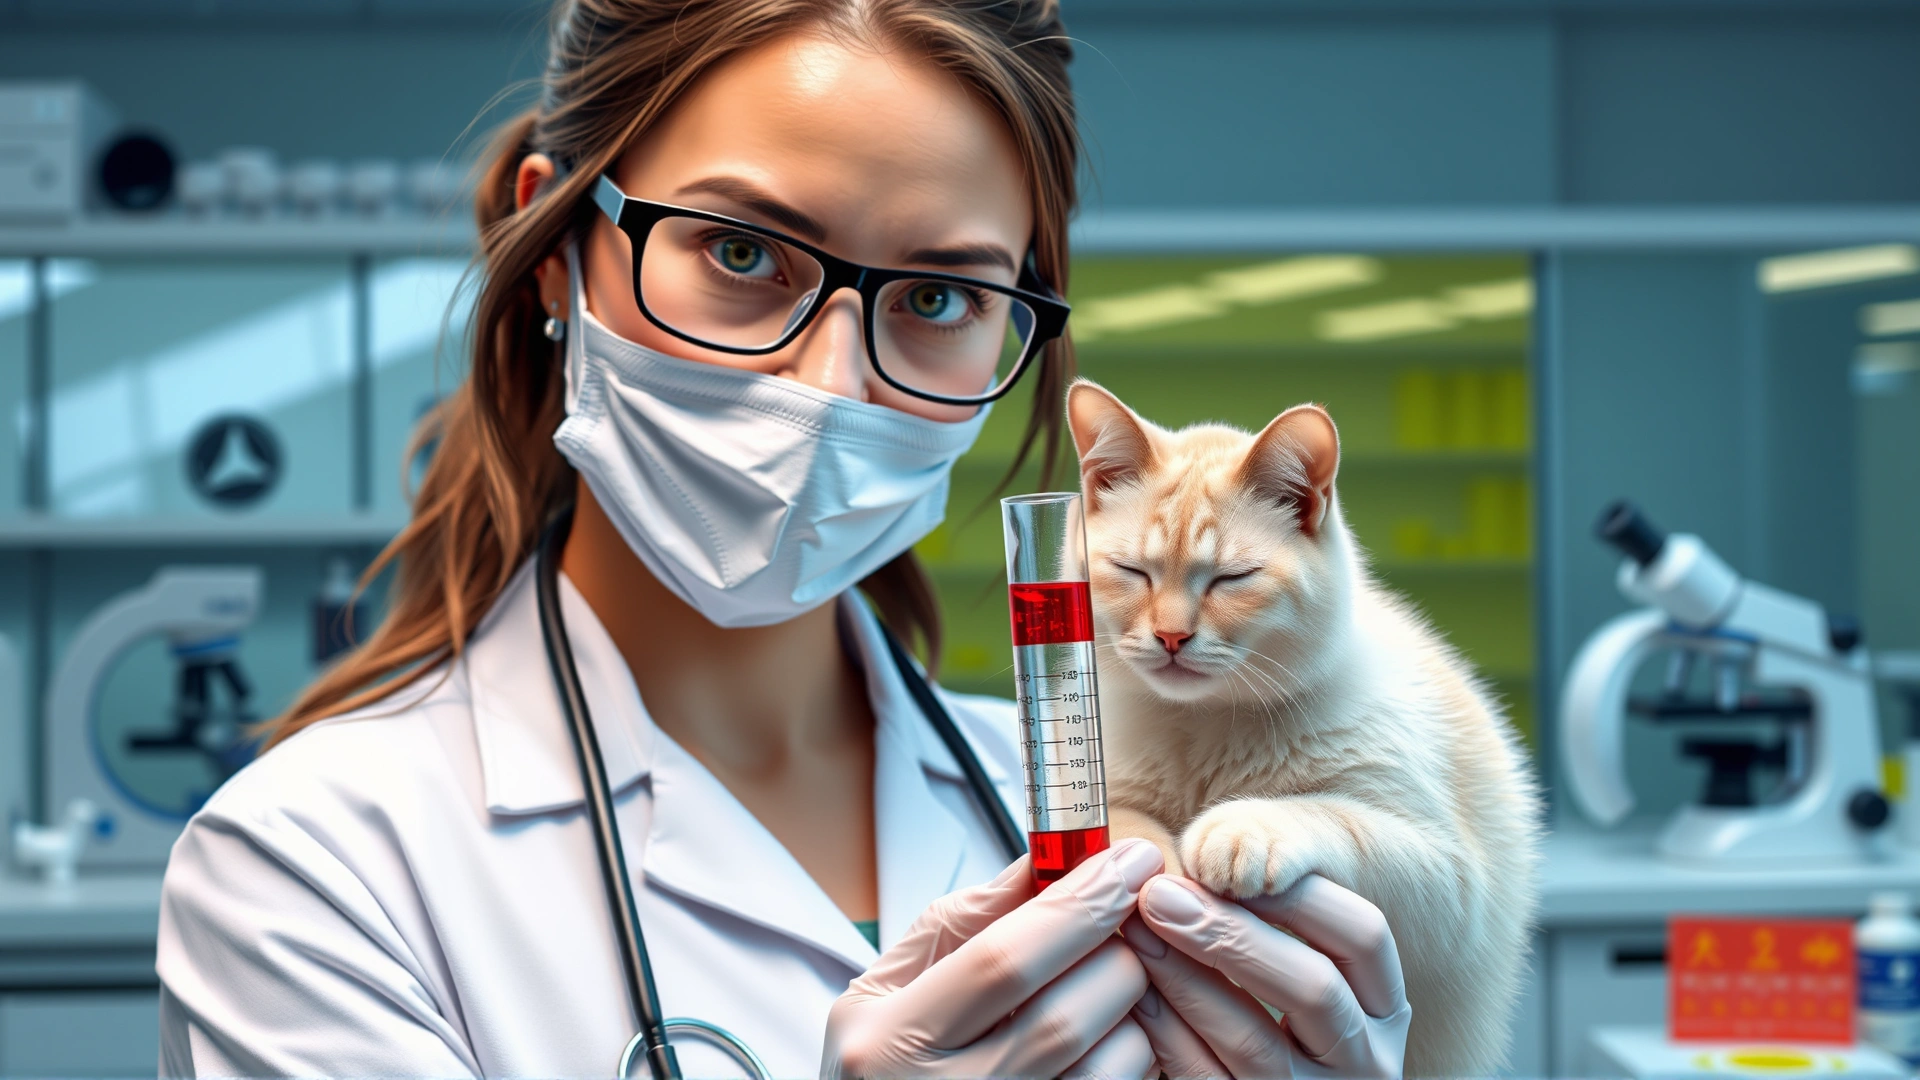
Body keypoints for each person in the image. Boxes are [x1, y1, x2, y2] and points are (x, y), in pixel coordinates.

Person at [154, 1, 1411, 1076]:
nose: (830, 388)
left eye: (937, 298)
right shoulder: (312, 871)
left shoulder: (1115, 811)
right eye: (743, 251)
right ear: (553, 252)